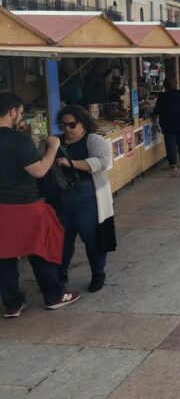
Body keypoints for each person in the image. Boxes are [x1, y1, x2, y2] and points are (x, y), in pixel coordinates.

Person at [0, 93, 81, 316]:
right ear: (13, 112)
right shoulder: (19, 140)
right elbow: (39, 170)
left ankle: (12, 303)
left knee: (4, 255)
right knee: (39, 248)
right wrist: (53, 147)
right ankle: (54, 295)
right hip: (25, 204)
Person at [53, 105, 116, 293]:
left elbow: (102, 162)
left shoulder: (94, 140)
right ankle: (60, 273)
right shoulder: (55, 142)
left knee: (92, 237)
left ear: (83, 123)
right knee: (62, 239)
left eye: (72, 125)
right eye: (63, 125)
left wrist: (72, 164)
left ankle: (98, 272)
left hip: (88, 196)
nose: (67, 129)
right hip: (60, 197)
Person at [153, 77, 180, 169]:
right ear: (175, 84)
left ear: (165, 86)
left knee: (170, 143)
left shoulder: (162, 96)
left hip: (168, 123)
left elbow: (157, 110)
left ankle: (173, 164)